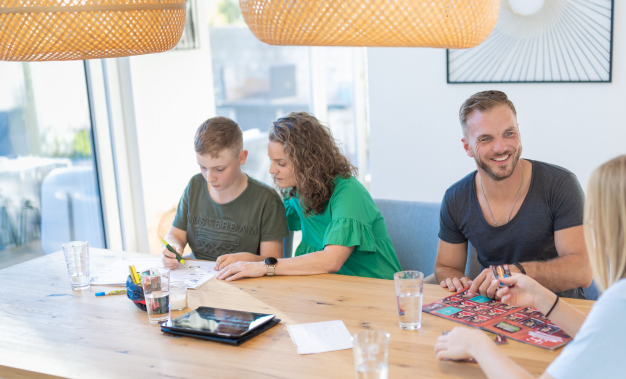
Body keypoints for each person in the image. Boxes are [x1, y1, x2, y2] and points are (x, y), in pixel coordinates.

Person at [435, 151, 626, 379]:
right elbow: (612, 334)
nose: (591, 223)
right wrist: (543, 299)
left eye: (596, 212)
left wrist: (477, 345)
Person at [435, 90, 592, 299]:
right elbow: (445, 266)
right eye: (486, 138)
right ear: (467, 147)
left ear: (519, 131)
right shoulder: (456, 198)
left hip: (559, 315)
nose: (501, 147)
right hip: (495, 313)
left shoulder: (561, 184)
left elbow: (582, 271)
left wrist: (517, 273)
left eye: (509, 133)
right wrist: (455, 279)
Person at [215, 112, 401, 280]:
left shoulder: (349, 193)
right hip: (326, 289)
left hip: (374, 290)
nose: (272, 170)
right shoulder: (295, 191)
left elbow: (331, 260)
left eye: (281, 163)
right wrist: (251, 259)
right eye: (271, 161)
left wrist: (265, 266)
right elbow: (268, 228)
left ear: (308, 162)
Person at [162, 117, 289, 270]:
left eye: (219, 169)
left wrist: (248, 260)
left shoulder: (267, 201)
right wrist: (172, 248)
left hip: (246, 288)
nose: (209, 178)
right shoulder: (195, 186)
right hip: (199, 283)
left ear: (242, 158)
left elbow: (274, 262)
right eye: (203, 167)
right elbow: (175, 235)